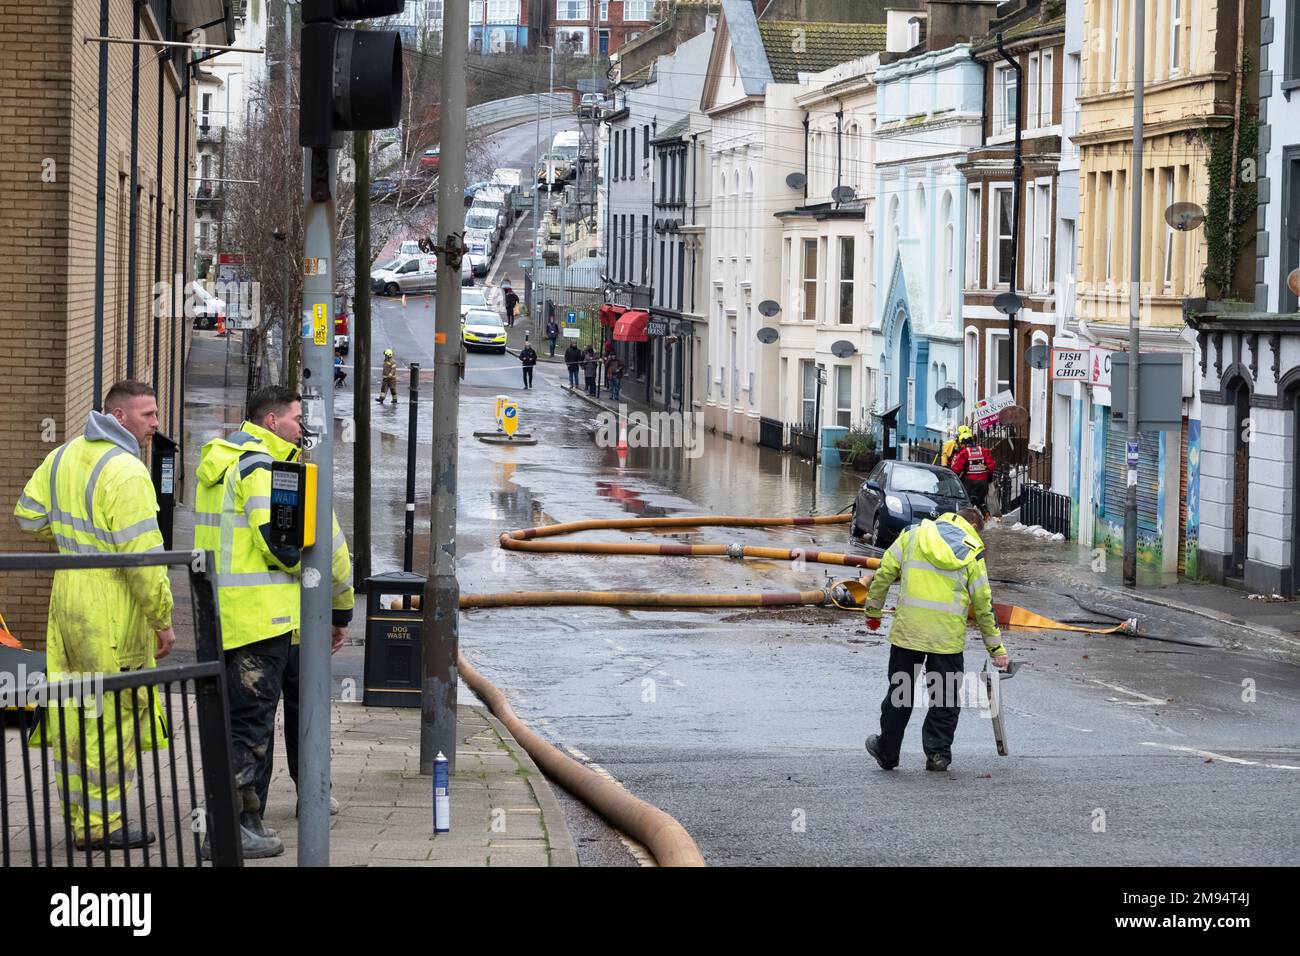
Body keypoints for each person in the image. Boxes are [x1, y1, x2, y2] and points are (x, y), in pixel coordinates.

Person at [15, 381, 176, 851]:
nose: (156, 424)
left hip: (67, 597)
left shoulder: (63, 455)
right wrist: (162, 620)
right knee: (112, 714)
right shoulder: (127, 473)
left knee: (72, 707)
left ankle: (80, 819)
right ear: (119, 417)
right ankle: (101, 826)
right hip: (112, 608)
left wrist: (74, 543)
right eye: (148, 415)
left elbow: (27, 516)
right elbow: (143, 561)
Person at [194, 386, 354, 858]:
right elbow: (281, 546)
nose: (302, 428)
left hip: (221, 617)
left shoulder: (220, 462)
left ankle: (240, 823)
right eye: (296, 418)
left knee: (233, 726)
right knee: (251, 730)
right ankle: (235, 831)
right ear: (271, 422)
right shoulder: (264, 467)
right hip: (262, 621)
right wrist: (312, 561)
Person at [863, 508, 1008, 773]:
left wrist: (873, 611)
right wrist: (996, 648)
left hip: (909, 633)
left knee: (900, 694)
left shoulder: (912, 534)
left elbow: (884, 573)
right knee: (944, 698)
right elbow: (983, 604)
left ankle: (888, 753)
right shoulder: (972, 549)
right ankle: (938, 755)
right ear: (974, 526)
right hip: (946, 638)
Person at [950, 427, 995, 517]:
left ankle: (969, 519)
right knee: (980, 500)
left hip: (970, 483)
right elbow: (991, 466)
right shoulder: (984, 451)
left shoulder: (964, 453)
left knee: (968, 502)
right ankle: (986, 515)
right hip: (983, 483)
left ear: (962, 443)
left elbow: (956, 469)